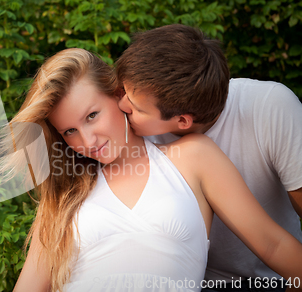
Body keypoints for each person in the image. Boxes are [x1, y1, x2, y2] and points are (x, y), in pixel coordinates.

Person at [10, 48, 302, 292]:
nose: (88, 141)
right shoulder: (65, 194)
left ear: (118, 94)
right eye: (70, 130)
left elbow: (273, 245)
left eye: (92, 116)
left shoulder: (193, 156)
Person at [116, 24, 302, 291]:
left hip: (275, 279)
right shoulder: (129, 130)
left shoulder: (269, 107)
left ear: (182, 121)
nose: (121, 106)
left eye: (134, 108)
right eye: (124, 92)